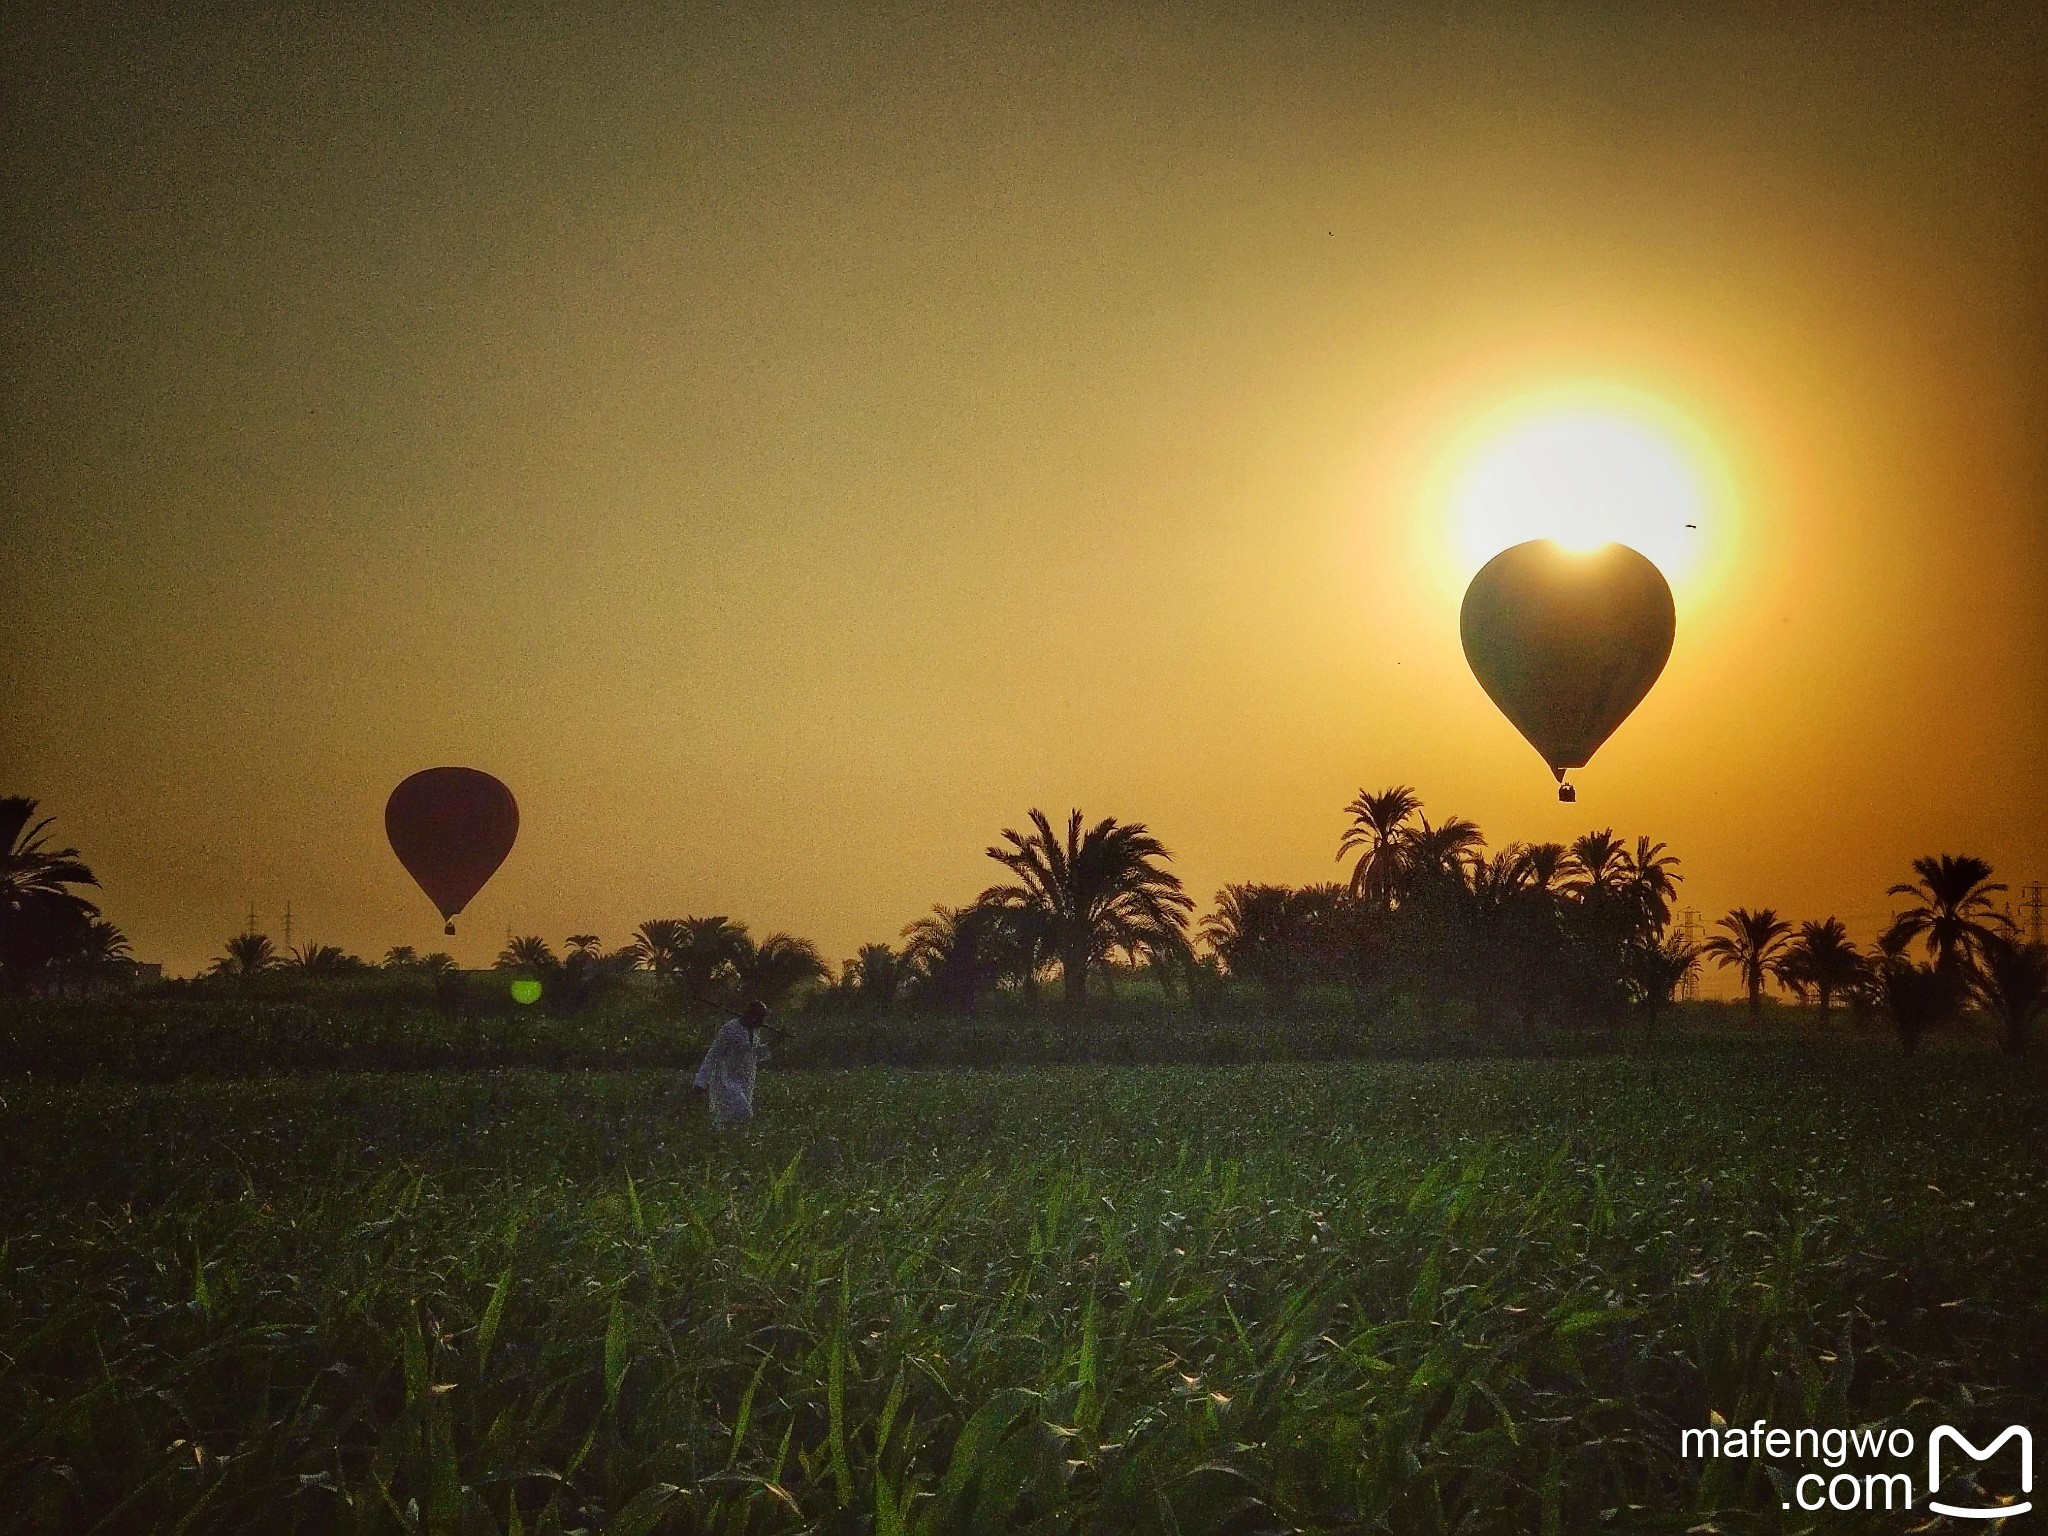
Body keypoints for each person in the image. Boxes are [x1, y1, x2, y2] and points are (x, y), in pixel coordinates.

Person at [693, 999, 772, 1126]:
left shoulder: (754, 1032)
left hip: (745, 1081)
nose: (763, 1022)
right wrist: (700, 1082)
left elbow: (755, 1055)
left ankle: (722, 1137)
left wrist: (776, 1043)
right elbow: (713, 1054)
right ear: (753, 1017)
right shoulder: (730, 1029)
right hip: (725, 1080)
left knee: (732, 1120)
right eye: (761, 1017)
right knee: (744, 1113)